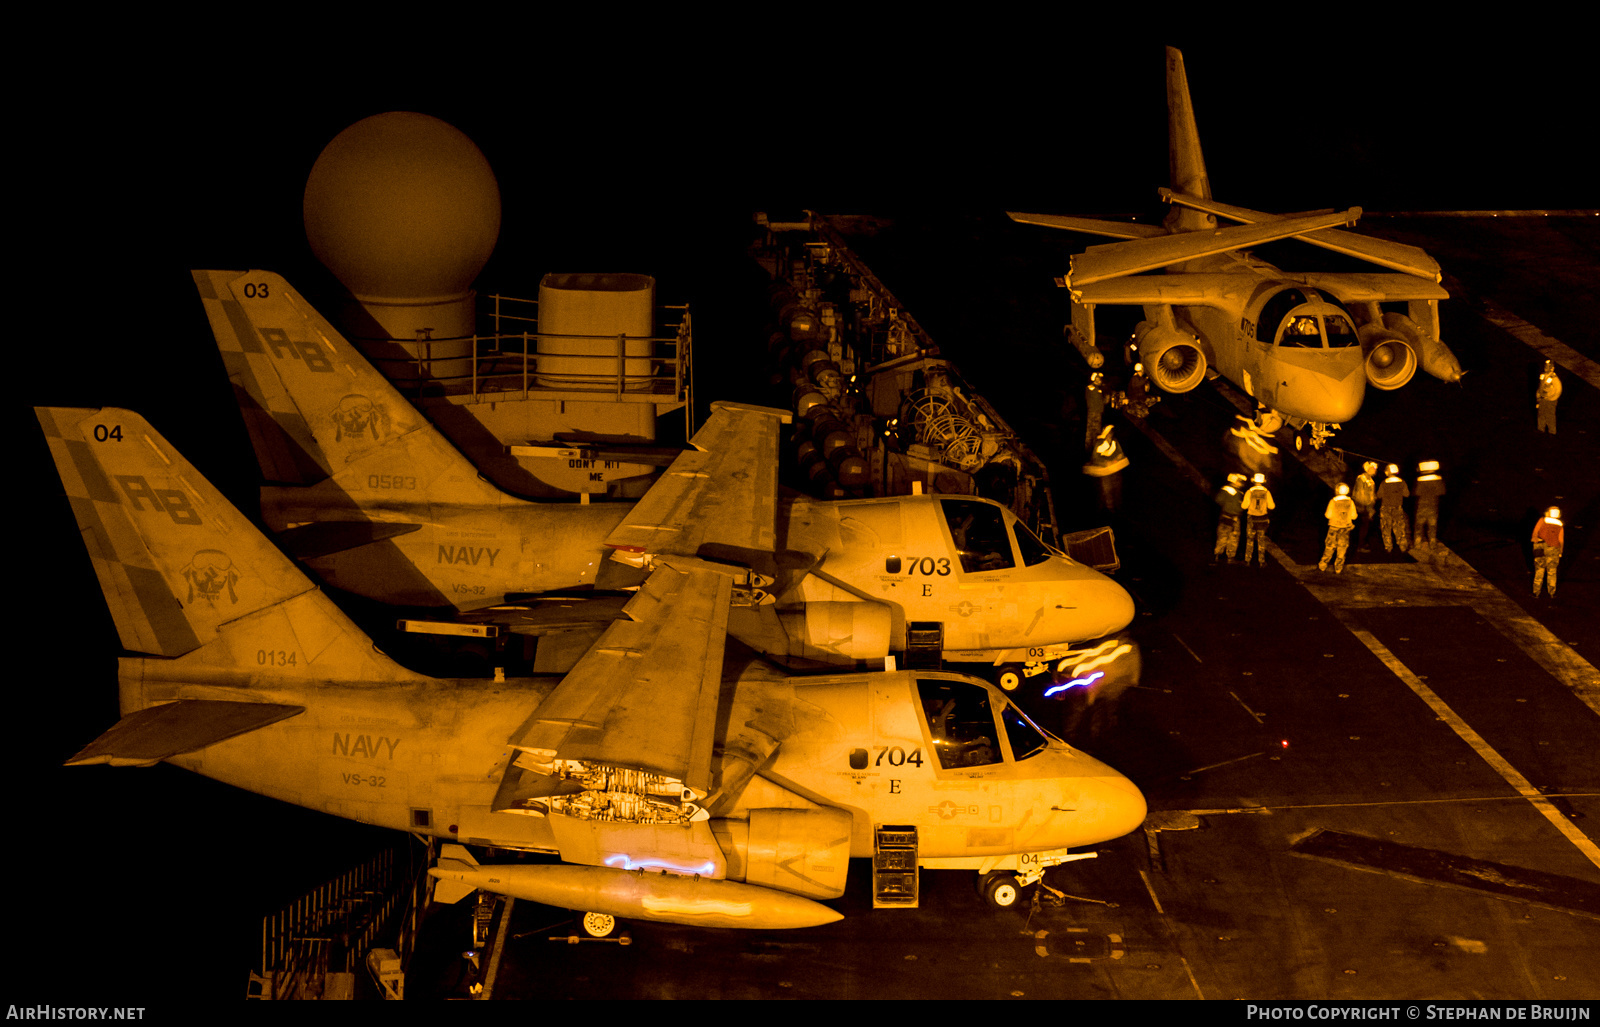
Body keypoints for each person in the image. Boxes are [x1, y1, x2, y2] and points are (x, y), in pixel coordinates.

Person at [1082, 425, 1128, 514]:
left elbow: (1120, 453)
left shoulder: (1114, 442)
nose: (1110, 435)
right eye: (1108, 433)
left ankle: (1119, 509)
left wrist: (1118, 458)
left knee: (1117, 491)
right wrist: (1106, 463)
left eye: (1111, 433)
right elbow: (1095, 458)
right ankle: (1108, 511)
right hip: (1104, 473)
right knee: (1107, 491)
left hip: (1116, 471)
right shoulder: (1100, 443)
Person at [1320, 483, 1358, 573]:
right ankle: (1338, 568)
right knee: (1342, 548)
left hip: (1333, 527)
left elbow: (1328, 515)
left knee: (1329, 547)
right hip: (1345, 528)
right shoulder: (1350, 502)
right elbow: (1354, 516)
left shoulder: (1333, 501)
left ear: (1337, 491)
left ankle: (1323, 565)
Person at [1241, 472, 1275, 566]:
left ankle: (1247, 560)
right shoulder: (1266, 492)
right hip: (1262, 519)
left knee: (1249, 540)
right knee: (1261, 540)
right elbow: (1272, 506)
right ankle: (1261, 561)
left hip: (1252, 518)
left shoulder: (1249, 491)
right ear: (1263, 482)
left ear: (1254, 481)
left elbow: (1244, 506)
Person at [1213, 472, 1246, 565]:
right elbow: (1219, 500)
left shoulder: (1237, 491)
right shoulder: (1229, 490)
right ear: (1234, 481)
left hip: (1231, 517)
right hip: (1229, 516)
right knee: (1227, 536)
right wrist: (1230, 506)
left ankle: (1222, 556)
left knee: (1231, 537)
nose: (1241, 484)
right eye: (1239, 481)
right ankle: (1223, 556)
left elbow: (1219, 500)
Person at [1377, 463, 1410, 553]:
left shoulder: (1384, 483)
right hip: (1397, 508)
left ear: (1388, 472)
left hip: (1385, 508)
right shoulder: (1402, 482)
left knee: (1386, 527)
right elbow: (1406, 494)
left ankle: (1388, 547)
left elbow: (1379, 495)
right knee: (1399, 527)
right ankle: (1402, 546)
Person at [1413, 460, 1446, 551]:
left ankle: (1417, 543)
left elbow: (1417, 492)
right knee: (1432, 526)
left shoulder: (1420, 480)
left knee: (1419, 525)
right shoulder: (1438, 479)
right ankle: (1432, 542)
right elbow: (1442, 491)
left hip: (1422, 506)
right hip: (1433, 506)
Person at [1531, 506, 1564, 597]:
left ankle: (1536, 592)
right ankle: (1552, 592)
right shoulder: (1560, 524)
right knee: (1552, 572)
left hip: (1540, 547)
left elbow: (1535, 533)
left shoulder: (1542, 520)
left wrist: (1536, 543)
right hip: (1553, 549)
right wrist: (1560, 551)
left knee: (1539, 570)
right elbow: (1561, 540)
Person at [1353, 460, 1379, 550]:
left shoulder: (1370, 480)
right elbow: (1360, 494)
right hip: (1362, 506)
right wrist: (1367, 507)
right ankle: (1360, 546)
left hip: (1367, 506)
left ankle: (1361, 544)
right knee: (1363, 526)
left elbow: (1372, 494)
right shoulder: (1362, 478)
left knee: (1364, 526)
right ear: (1368, 469)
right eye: (1373, 468)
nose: (1375, 470)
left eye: (1375, 468)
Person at [1536, 361, 1562, 434]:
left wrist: (1550, 397)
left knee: (1550, 415)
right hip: (1542, 399)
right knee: (1541, 414)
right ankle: (1540, 429)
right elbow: (1540, 386)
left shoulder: (1553, 378)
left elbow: (1558, 389)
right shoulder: (1543, 376)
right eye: (1545, 366)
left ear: (1552, 368)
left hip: (1550, 400)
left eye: (1548, 367)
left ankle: (1552, 432)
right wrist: (1538, 396)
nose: (1546, 368)